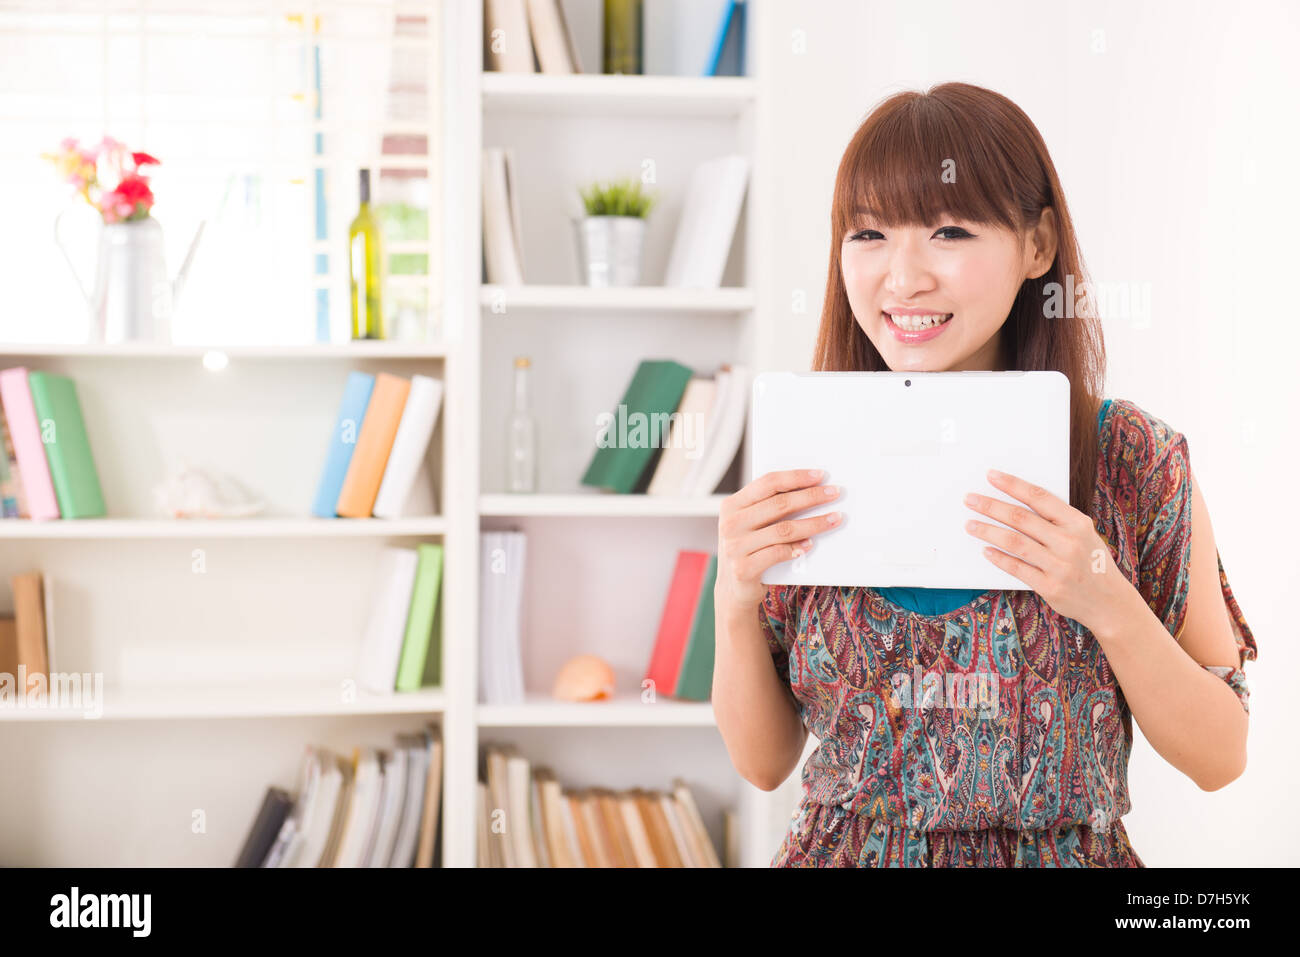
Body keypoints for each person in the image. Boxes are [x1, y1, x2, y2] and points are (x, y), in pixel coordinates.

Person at [712, 82, 1257, 867]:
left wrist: (1104, 597)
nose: (901, 279)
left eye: (949, 232)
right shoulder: (809, 451)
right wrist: (735, 599)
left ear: (1038, 246)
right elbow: (763, 765)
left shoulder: (1132, 456)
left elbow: (1223, 755)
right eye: (868, 233)